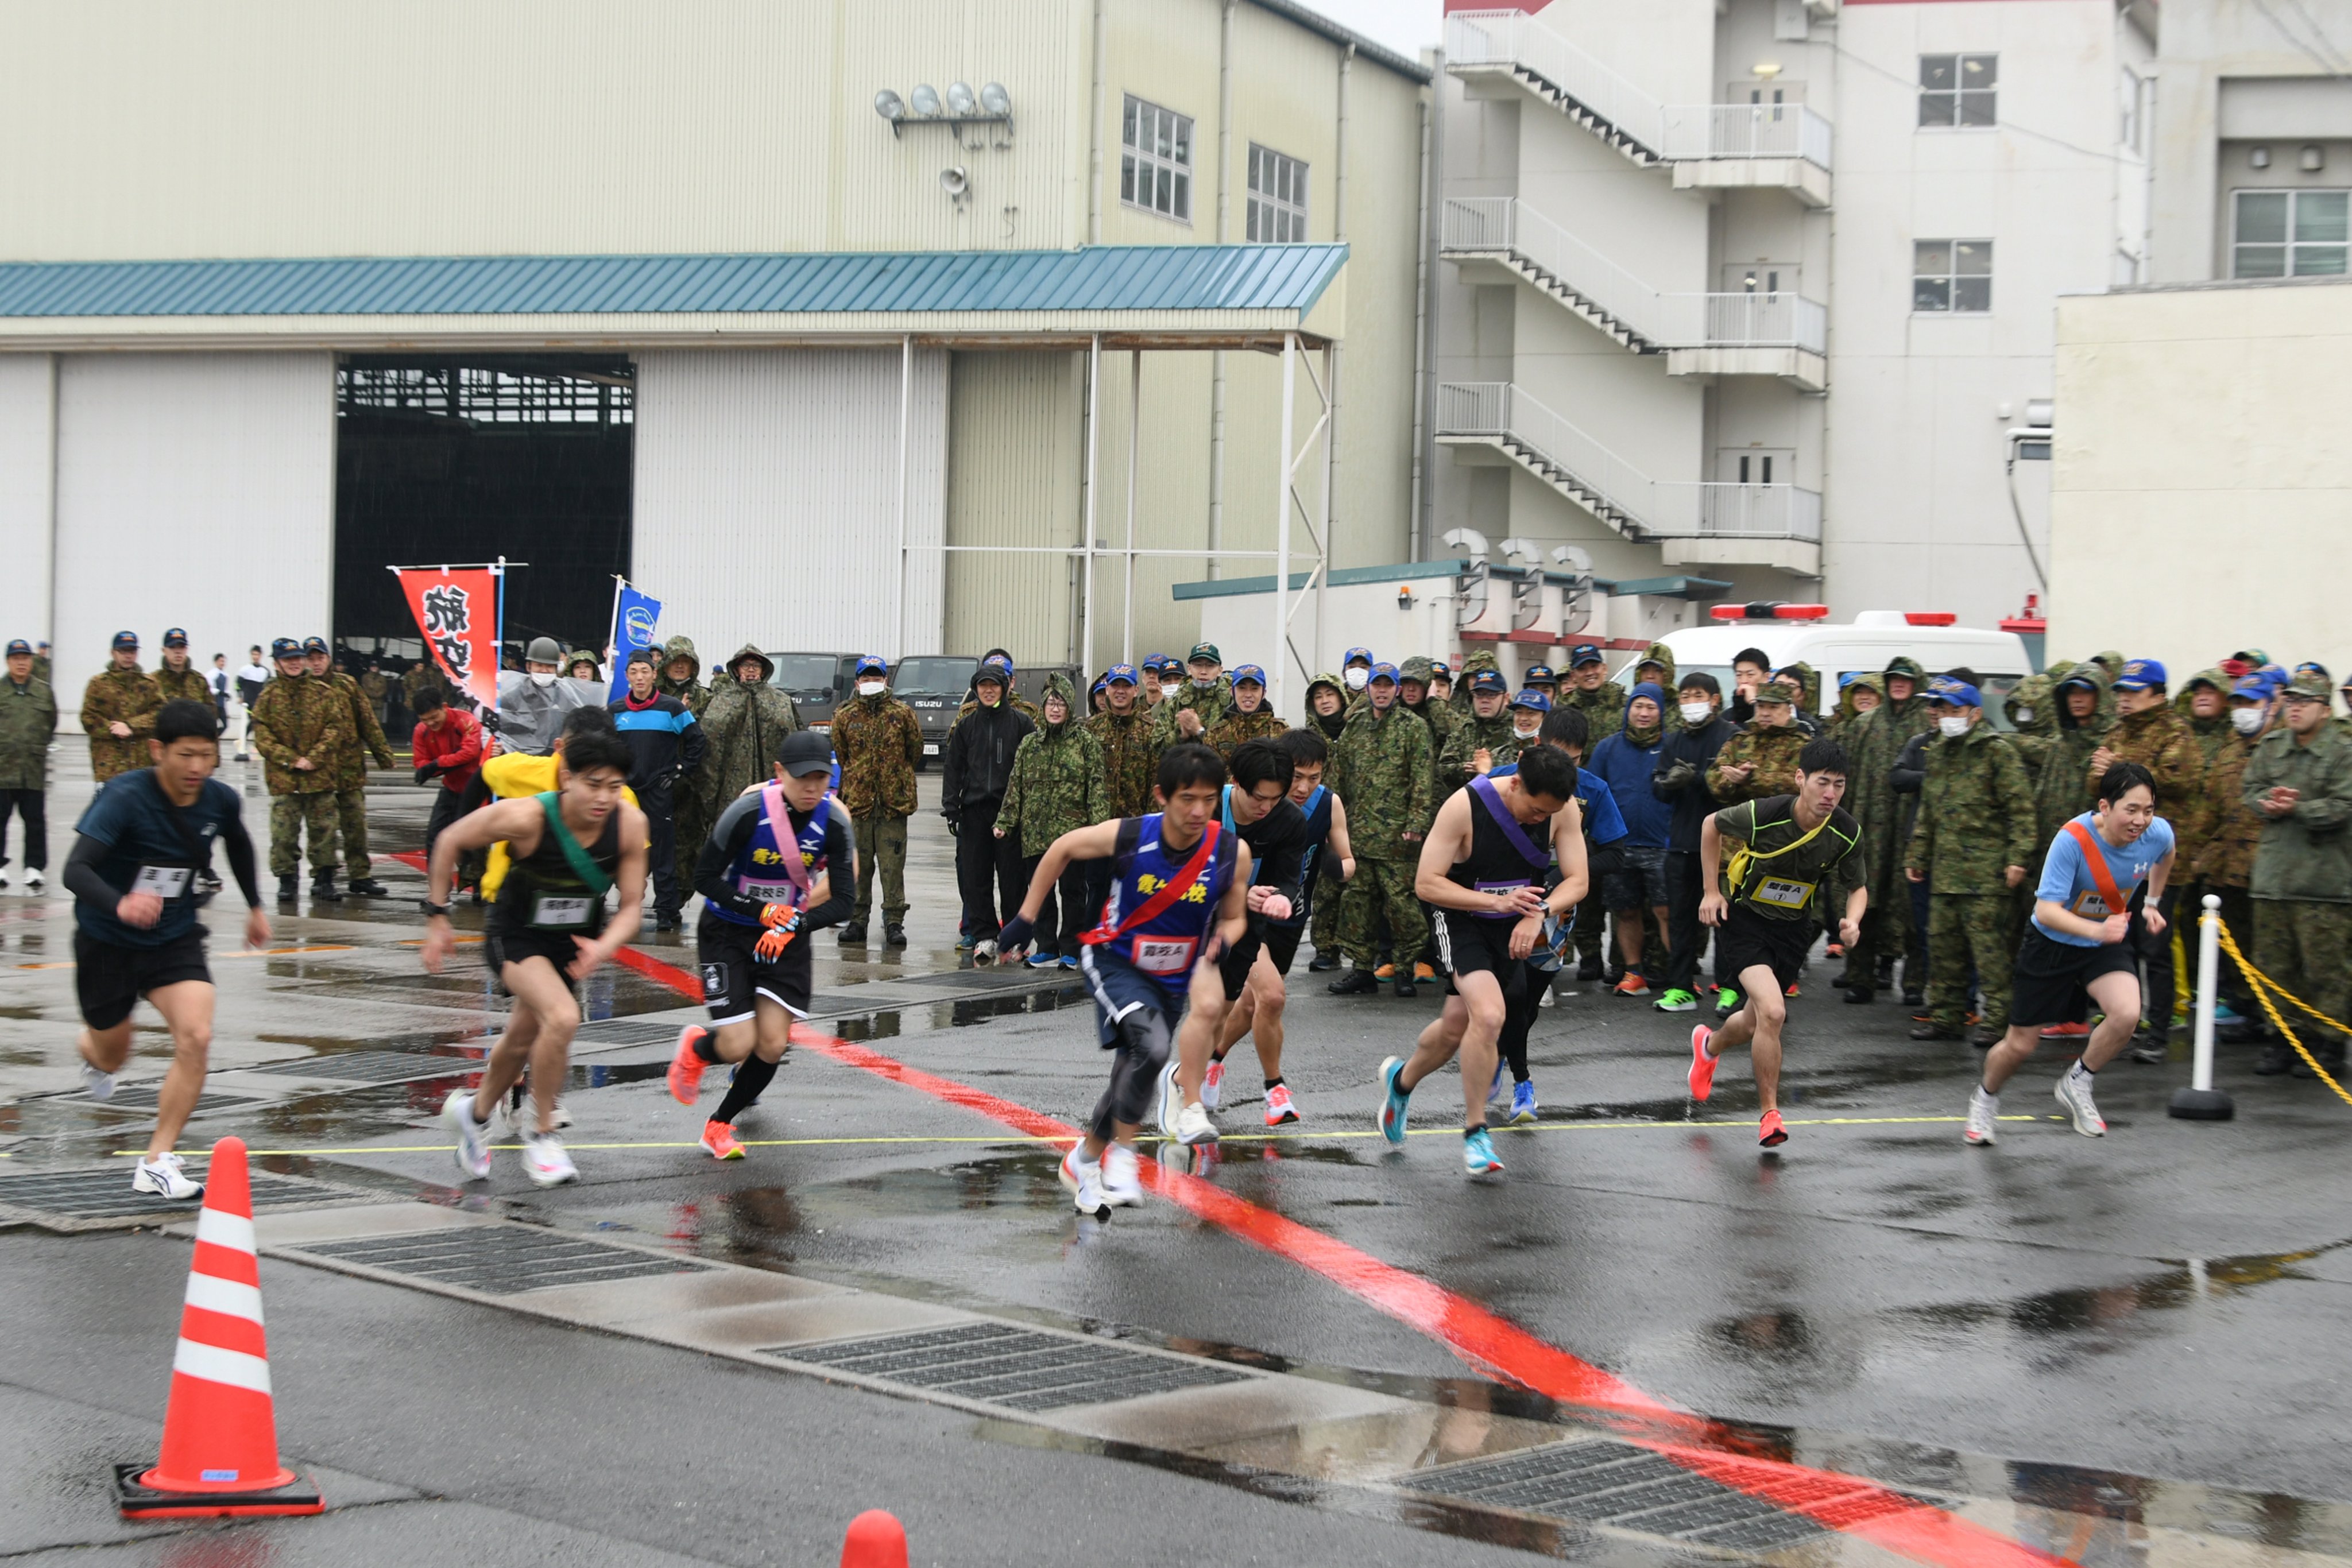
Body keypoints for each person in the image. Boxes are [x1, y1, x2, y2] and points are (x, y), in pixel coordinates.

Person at [997, 743, 1254, 1213]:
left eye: (1208, 799)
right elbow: (1062, 848)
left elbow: (1235, 917)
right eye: (1187, 799)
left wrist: (1223, 939)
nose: (1199, 811)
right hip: (1115, 959)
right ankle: (1122, 1154)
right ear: (1162, 796)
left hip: (1174, 976)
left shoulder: (1230, 851)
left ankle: (1083, 1158)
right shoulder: (1132, 835)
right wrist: (1026, 917)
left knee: (1135, 1067)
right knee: (1152, 1049)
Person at [424, 725, 648, 1187]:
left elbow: (631, 906)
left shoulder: (630, 824)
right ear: (566, 776)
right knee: (563, 1017)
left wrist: (604, 945)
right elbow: (449, 839)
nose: (603, 798)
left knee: (522, 1037)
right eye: (593, 784)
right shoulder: (528, 817)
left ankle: (474, 1114)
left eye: (614, 786)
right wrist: (438, 915)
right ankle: (542, 1132)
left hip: (572, 944)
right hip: (516, 935)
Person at [66, 700, 269, 1198]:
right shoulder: (123, 797)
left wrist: (255, 905)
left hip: (173, 935)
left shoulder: (219, 799)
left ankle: (157, 1160)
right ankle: (92, 1051)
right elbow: (76, 869)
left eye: (207, 754)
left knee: (196, 1035)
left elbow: (238, 843)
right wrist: (121, 904)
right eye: (186, 755)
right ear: (158, 750)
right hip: (107, 940)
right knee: (113, 1054)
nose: (197, 767)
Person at [1374, 744, 1589, 1178]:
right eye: (1534, 810)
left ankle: (1400, 1082)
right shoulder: (1464, 806)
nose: (1539, 819)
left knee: (1457, 1025)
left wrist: (1539, 912)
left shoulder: (1562, 810)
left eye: (1547, 813)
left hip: (1515, 920)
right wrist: (1496, 902)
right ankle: (1476, 1133)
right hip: (1459, 917)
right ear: (1516, 783)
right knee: (1489, 1016)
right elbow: (1426, 883)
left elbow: (1578, 880)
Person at [664, 730, 856, 1159]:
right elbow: (704, 878)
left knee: (771, 1043)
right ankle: (697, 1048)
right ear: (779, 772)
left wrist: (793, 924)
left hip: (786, 935)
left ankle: (718, 1125)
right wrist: (762, 911)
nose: (812, 787)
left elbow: (845, 899)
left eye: (821, 778)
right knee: (737, 1044)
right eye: (802, 777)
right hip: (728, 931)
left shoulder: (835, 821)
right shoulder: (748, 812)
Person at [1966, 761, 2175, 1145]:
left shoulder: (2157, 832)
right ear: (2105, 806)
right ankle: (1985, 1098)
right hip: (2052, 943)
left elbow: (2167, 854)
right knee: (2020, 1044)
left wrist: (2151, 903)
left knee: (2127, 1014)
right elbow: (2047, 910)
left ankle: (2079, 1081)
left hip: (2104, 943)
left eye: (2148, 810)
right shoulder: (2072, 840)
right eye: (2131, 810)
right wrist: (2099, 929)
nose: (2141, 821)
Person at [1686, 737, 1866, 1148]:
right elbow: (1711, 825)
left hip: (1793, 930)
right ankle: (1770, 1114)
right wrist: (1711, 891)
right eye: (1822, 782)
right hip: (1746, 921)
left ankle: (1708, 1046)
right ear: (1801, 778)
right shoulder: (1764, 814)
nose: (1830, 794)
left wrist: (1853, 921)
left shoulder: (1845, 831)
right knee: (1773, 1011)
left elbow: (1857, 886)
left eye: (1839, 785)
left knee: (1755, 1022)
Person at [1485, 706, 1626, 1114]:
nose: (1565, 768)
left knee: (1529, 1002)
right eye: (1556, 755)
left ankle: (1502, 1053)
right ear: (1536, 744)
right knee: (1511, 994)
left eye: (1575, 760)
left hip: (1556, 909)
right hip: (1503, 902)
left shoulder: (1593, 790)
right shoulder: (1504, 780)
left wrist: (1560, 877)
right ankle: (1520, 1080)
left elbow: (1615, 853)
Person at [1209, 729, 1352, 1121]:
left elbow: (1308, 872)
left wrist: (1327, 870)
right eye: (1297, 778)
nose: (1303, 787)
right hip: (1237, 916)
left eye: (1313, 777)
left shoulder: (1308, 811)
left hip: (1284, 913)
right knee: (1272, 996)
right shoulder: (1214, 805)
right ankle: (1275, 1089)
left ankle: (1211, 1060)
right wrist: (1245, 895)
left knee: (1252, 1003)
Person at [1178, 739, 1311, 1125]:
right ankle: (1193, 1090)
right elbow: (1175, 868)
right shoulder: (1204, 808)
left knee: (1226, 1009)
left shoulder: (1290, 820)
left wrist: (1282, 897)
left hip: (1249, 921)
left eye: (1275, 798)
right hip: (1194, 916)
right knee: (1242, 1000)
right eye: (1258, 797)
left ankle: (1198, 1070)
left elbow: (1288, 878)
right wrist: (1234, 890)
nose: (1265, 807)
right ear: (1235, 782)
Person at [1902, 679, 2036, 1046]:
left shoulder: (1997, 753)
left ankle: (1997, 1021)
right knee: (1943, 949)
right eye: (1942, 709)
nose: (1947, 716)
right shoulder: (1938, 753)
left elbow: (2021, 810)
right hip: (1946, 872)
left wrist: (2018, 859)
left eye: (1955, 709)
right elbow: (1928, 812)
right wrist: (1918, 854)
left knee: (1990, 953)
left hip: (1987, 877)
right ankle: (1946, 1017)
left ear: (1975, 714)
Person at [2087, 659, 2204, 1059]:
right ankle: (2128, 1019)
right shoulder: (2117, 731)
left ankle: (2159, 1029)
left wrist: (2120, 768)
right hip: (2119, 858)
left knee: (2155, 946)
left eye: (2134, 692)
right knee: (2121, 940)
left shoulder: (2176, 731)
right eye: (2121, 692)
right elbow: (2098, 786)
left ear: (2157, 695)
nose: (2124, 699)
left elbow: (2181, 778)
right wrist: (2101, 773)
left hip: (2158, 856)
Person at [2242, 673, 2352, 1077]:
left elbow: (2344, 805)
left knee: (2326, 969)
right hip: (2274, 877)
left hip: (2324, 880)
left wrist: (2299, 808)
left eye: (2306, 702)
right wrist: (2266, 802)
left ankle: (2330, 1043)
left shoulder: (2343, 751)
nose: (2296, 708)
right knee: (2274, 967)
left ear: (2325, 710)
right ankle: (2283, 1039)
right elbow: (2250, 788)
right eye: (2291, 701)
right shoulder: (2272, 746)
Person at [1328, 662, 1434, 998]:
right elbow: (1338, 775)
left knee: (1402, 906)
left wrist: (1416, 823)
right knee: (1357, 904)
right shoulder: (1356, 725)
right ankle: (1362, 970)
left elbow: (1423, 778)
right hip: (1359, 834)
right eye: (1377, 685)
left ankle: (1404, 969)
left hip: (1398, 838)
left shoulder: (1413, 727)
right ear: (1369, 688)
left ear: (1397, 690)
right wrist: (1332, 820)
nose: (1382, 691)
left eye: (1389, 685)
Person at [995, 673, 1110, 967]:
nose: (1055, 709)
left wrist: (1100, 829)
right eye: (1050, 703)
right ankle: (1046, 945)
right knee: (1041, 890)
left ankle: (1071, 948)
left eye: (1061, 704)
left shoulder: (1085, 742)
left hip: (1073, 834)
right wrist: (1005, 822)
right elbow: (1015, 785)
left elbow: (1097, 787)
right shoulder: (1030, 744)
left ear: (1070, 707)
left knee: (1073, 892)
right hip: (1036, 831)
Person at [1651, 672, 1738, 1015]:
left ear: (1714, 699)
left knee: (1726, 919)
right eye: (1685, 697)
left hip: (1724, 846)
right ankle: (1681, 987)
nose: (1690, 703)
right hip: (1682, 842)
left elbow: (1733, 788)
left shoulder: (1731, 736)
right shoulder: (1674, 740)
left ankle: (1730, 988)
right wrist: (1668, 783)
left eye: (1697, 695)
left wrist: (1698, 779)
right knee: (1681, 919)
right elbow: (1658, 787)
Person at [941, 657, 1035, 956]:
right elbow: (953, 768)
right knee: (975, 877)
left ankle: (1014, 935)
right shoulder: (966, 725)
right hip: (974, 812)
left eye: (994, 685)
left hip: (1010, 813)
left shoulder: (1022, 723)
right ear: (976, 689)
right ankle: (984, 935)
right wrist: (951, 807)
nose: (989, 690)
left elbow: (1032, 770)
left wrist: (1027, 809)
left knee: (1013, 878)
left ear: (1005, 688)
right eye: (983, 686)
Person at [610, 646, 706, 932]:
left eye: (645, 671)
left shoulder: (672, 708)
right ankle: (627, 904)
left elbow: (697, 741)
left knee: (663, 851)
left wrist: (680, 769)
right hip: (627, 793)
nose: (640, 677)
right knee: (625, 849)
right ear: (627, 676)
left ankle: (667, 909)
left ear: (654, 674)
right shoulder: (616, 710)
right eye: (634, 672)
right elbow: (605, 746)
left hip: (658, 789)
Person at [1587, 681, 1673, 997]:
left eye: (1651, 707)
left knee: (1667, 912)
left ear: (1661, 712)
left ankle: (1680, 976)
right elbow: (1593, 793)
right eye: (1638, 706)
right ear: (1628, 709)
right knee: (1625, 912)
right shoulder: (1607, 748)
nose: (1644, 713)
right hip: (1620, 845)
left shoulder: (1673, 746)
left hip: (1663, 845)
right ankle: (1633, 972)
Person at [830, 655, 920, 947]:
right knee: (860, 866)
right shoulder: (844, 715)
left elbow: (914, 751)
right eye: (866, 677)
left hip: (893, 804)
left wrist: (894, 777)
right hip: (858, 803)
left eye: (876, 677)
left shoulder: (902, 713)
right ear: (858, 682)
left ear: (885, 680)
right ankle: (857, 921)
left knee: (893, 868)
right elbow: (842, 755)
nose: (871, 681)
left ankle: (894, 921)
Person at [246, 637, 345, 904]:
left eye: (298, 658)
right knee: (284, 835)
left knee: (325, 832)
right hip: (284, 779)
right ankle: (287, 881)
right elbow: (262, 735)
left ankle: (325, 880)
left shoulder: (323, 693)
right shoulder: (268, 696)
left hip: (319, 776)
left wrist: (314, 758)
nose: (294, 663)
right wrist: (291, 760)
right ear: (276, 664)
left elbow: (335, 728)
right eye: (288, 659)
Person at [308, 637, 395, 897]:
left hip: (349, 769)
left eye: (320, 658)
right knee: (323, 829)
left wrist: (383, 755)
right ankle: (322, 877)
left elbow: (367, 720)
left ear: (328, 659)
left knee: (356, 826)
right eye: (311, 659)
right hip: (319, 772)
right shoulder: (303, 689)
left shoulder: (347, 685)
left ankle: (360, 876)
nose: (316, 663)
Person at [0, 640, 56, 893]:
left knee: (35, 820)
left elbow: (51, 722)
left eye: (25, 658)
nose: (21, 663)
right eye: (16, 658)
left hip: (32, 767)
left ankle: (34, 868)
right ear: (8, 662)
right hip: (3, 767)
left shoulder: (44, 691)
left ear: (31, 661)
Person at [409, 687, 485, 869]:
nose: (431, 723)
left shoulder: (466, 721)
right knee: (434, 837)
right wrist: (438, 766)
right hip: (451, 788)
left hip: (477, 789)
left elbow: (470, 752)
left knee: (470, 839)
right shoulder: (421, 731)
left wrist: (437, 764)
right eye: (424, 720)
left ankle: (475, 882)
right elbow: (421, 763)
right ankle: (437, 883)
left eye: (434, 717)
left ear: (444, 707)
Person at [82, 630, 163, 785]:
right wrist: (114, 729)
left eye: (132, 651)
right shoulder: (98, 684)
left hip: (142, 763)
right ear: (113, 653)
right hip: (109, 765)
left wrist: (131, 726)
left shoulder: (149, 684)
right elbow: (88, 718)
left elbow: (159, 713)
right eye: (123, 651)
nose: (128, 656)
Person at [1436, 669, 1514, 793]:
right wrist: (1471, 769)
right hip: (1468, 799)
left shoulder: (1517, 727)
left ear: (1506, 698)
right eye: (1479, 695)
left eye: (1492, 695)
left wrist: (1491, 769)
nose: (1484, 700)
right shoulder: (1465, 727)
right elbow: (1444, 767)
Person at [1152, 643, 1233, 746]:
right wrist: (1181, 735)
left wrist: (1199, 731)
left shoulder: (1230, 699)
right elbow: (1156, 746)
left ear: (1220, 671)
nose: (1203, 672)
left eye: (1210, 666)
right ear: (1189, 669)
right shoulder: (1178, 699)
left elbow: (1237, 745)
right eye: (1198, 665)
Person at [1202, 664, 1286, 756]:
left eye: (1255, 689)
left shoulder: (1281, 731)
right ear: (1232, 692)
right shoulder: (1215, 734)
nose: (1248, 695)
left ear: (1264, 693)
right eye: (1242, 688)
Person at [1560, 645, 1624, 745]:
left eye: (1594, 666)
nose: (1589, 673)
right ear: (1573, 676)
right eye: (1582, 669)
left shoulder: (1623, 703)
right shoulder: (1566, 711)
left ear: (1604, 669)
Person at [151, 628, 210, 713]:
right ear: (164, 650)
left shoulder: (199, 681)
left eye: (182, 647)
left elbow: (211, 712)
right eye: (172, 647)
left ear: (187, 650)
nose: (178, 652)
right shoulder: (153, 682)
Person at [235, 646, 271, 760]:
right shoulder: (245, 670)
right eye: (254, 655)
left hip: (259, 701)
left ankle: (245, 742)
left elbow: (269, 687)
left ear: (261, 656)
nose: (256, 657)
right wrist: (240, 696)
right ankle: (244, 743)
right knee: (253, 721)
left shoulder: (265, 671)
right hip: (248, 700)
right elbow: (237, 684)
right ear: (251, 655)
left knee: (257, 723)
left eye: (257, 655)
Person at [1302, 671, 1349, 745]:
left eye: (1330, 694)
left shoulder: (1358, 728)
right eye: (1319, 697)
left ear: (1342, 698)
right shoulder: (1308, 739)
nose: (1325, 701)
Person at [206, 654, 233, 734]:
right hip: (214, 703)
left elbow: (225, 689)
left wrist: (227, 694)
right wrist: (219, 692)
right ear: (216, 662)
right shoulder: (211, 674)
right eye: (221, 661)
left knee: (225, 725)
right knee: (212, 724)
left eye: (224, 661)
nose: (222, 663)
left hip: (221, 704)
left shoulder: (225, 675)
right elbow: (209, 688)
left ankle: (215, 737)